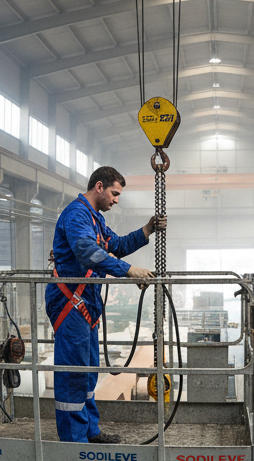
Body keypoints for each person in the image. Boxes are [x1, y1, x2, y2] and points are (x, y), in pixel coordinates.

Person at [46, 166, 166, 443]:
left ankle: (90, 431)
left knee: (88, 373)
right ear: (99, 187)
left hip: (85, 303)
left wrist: (147, 230)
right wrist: (127, 271)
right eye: (114, 193)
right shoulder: (76, 214)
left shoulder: (94, 219)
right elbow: (87, 253)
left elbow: (116, 245)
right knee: (74, 376)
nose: (116, 200)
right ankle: (75, 443)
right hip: (70, 302)